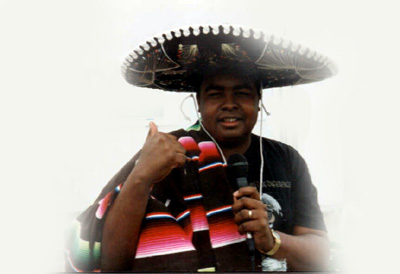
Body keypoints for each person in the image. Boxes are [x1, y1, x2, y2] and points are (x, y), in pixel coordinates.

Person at [64, 24, 337, 272]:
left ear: (258, 100)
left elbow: (320, 252)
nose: (229, 103)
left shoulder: (286, 159)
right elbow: (111, 261)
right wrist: (141, 177)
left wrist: (272, 240)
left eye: (242, 93)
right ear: (198, 102)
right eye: (215, 93)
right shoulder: (167, 155)